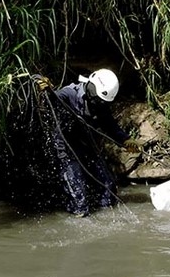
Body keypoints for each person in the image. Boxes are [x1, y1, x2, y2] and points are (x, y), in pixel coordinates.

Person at [48, 69, 139, 215]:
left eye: (103, 101)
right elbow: (49, 99)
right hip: (65, 149)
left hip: (87, 146)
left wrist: (126, 141)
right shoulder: (69, 94)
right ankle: (79, 216)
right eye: (98, 99)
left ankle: (106, 215)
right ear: (92, 88)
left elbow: (111, 127)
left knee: (108, 189)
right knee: (79, 200)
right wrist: (46, 90)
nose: (100, 103)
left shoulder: (100, 105)